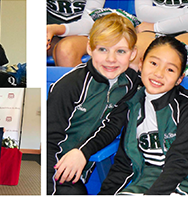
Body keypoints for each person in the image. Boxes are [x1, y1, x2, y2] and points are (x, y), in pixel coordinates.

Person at [98, 36, 188, 195]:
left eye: (170, 69)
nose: (159, 73)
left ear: (179, 79)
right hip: (146, 181)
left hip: (187, 183)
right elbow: (123, 164)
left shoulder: (186, 108)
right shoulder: (132, 106)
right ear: (141, 63)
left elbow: (179, 164)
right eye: (154, 63)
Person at [47, 13, 141, 195]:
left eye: (121, 51)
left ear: (133, 53)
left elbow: (112, 126)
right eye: (103, 49)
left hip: (77, 170)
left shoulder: (130, 82)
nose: (111, 59)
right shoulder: (69, 85)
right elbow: (50, 141)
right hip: (53, 168)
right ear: (89, 48)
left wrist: (82, 152)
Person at [130, 0, 188, 72]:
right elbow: (143, 12)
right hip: (156, 23)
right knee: (131, 53)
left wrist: (156, 27)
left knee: (171, 56)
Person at [46, 0, 105, 67]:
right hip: (51, 35)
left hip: (86, 36)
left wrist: (56, 29)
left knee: (66, 49)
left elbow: (89, 23)